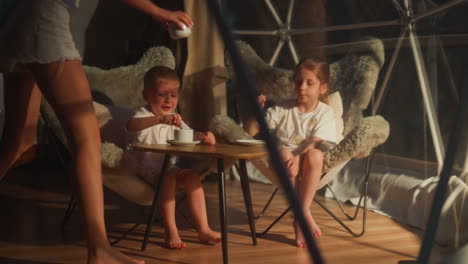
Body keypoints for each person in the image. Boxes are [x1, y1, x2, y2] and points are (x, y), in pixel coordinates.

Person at [0, 0, 192, 263]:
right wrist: (160, 12)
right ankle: (99, 249)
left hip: (15, 19)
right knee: (87, 136)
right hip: (42, 16)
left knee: (18, 141)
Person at [244, 57, 337, 248]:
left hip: (310, 161)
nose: (302, 87)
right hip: (285, 160)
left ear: (322, 88)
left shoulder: (324, 112)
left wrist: (299, 157)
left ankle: (299, 215)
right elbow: (250, 131)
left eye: (309, 83)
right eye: (298, 82)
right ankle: (304, 214)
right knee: (284, 152)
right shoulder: (282, 108)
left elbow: (315, 141)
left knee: (315, 154)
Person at [126, 65, 221, 249]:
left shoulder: (174, 118)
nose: (169, 100)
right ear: (146, 95)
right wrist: (159, 119)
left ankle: (203, 229)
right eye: (162, 94)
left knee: (192, 176)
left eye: (173, 95)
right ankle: (171, 230)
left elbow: (188, 134)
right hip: (143, 170)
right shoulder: (143, 115)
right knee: (168, 178)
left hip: (168, 169)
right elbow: (131, 125)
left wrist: (203, 137)